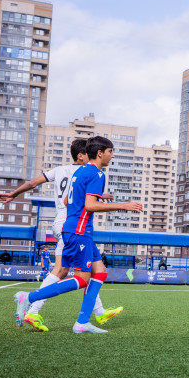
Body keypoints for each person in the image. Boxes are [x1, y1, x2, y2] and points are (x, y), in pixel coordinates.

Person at [13, 136, 143, 333]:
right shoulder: (97, 175)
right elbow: (90, 205)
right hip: (79, 231)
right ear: (100, 153)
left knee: (100, 273)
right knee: (82, 279)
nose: (112, 155)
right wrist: (123, 205)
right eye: (110, 151)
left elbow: (67, 201)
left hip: (75, 228)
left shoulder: (80, 171)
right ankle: (29, 298)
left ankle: (83, 322)